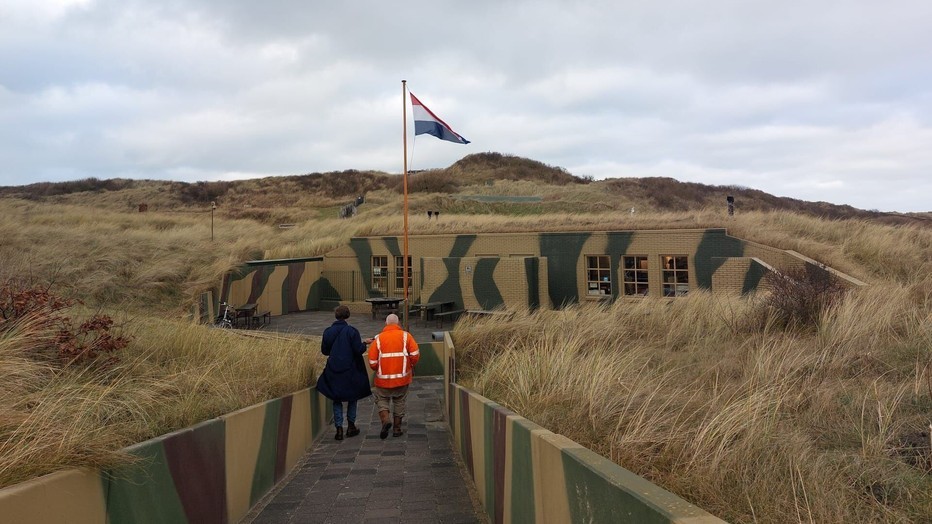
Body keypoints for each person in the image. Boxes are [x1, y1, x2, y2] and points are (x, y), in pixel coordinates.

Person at [316, 305, 372, 441]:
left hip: (334, 369)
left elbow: (325, 351)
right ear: (347, 316)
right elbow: (358, 350)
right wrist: (364, 343)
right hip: (350, 369)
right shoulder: (352, 331)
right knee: (353, 396)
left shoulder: (328, 332)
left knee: (336, 398)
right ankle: (351, 425)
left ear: (336, 315)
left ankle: (339, 428)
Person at [367, 313, 419, 439]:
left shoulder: (378, 339)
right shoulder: (406, 336)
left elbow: (372, 362)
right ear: (398, 323)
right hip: (402, 378)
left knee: (382, 400)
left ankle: (385, 421)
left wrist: (378, 369)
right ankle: (397, 428)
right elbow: (415, 354)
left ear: (386, 323)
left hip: (382, 380)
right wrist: (409, 365)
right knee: (399, 401)